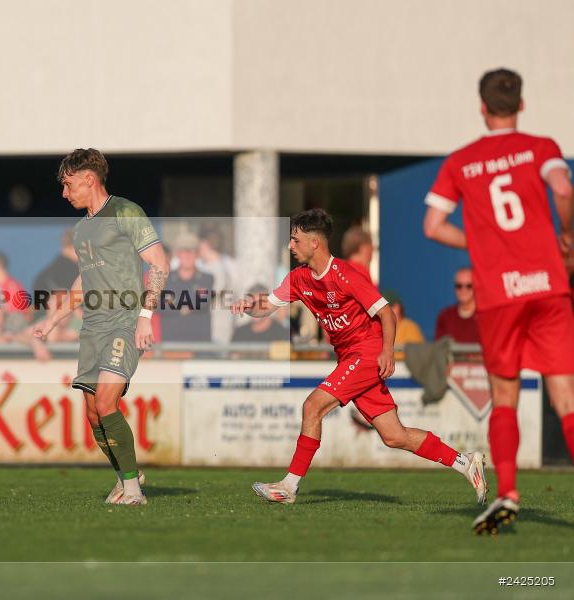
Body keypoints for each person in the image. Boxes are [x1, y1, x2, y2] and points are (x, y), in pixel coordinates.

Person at [232, 208, 486, 506]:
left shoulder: (346, 275)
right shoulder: (299, 278)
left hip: (366, 353)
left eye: (294, 240)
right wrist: (249, 304)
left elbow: (386, 313)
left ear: (315, 243)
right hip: (348, 358)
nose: (290, 246)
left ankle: (289, 486)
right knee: (394, 435)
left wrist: (387, 352)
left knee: (312, 406)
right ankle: (465, 462)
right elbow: (267, 305)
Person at [423, 68, 574, 534]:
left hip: (499, 294)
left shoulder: (461, 160)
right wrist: (567, 233)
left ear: (482, 107)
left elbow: (432, 225)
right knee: (566, 397)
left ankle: (507, 491)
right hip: (547, 285)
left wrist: (482, 243)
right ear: (521, 105)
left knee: (504, 396)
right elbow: (564, 188)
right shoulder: (542, 147)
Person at [34, 148, 169, 506]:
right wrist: (53, 320)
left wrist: (145, 317)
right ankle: (127, 475)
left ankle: (134, 492)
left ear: (87, 179)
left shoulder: (126, 211)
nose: (64, 193)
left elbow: (158, 264)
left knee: (107, 402)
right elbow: (83, 281)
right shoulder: (81, 230)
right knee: (94, 413)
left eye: (67, 184)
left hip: (124, 321)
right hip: (92, 328)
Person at [160, 233, 214, 342]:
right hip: (171, 344)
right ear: (177, 254)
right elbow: (159, 305)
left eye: (191, 251)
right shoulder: (165, 278)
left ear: (197, 254)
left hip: (200, 344)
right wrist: (189, 303)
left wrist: (173, 303)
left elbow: (201, 302)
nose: (187, 255)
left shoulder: (207, 278)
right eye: (184, 251)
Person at [197, 224, 239, 344]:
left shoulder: (218, 268)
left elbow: (205, 297)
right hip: (214, 325)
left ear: (205, 245)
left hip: (218, 327)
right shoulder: (222, 266)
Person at [33, 229, 79, 311]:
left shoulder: (49, 271)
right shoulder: (69, 269)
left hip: (42, 314)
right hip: (55, 315)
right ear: (72, 247)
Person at [435, 267, 480, 343]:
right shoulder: (445, 316)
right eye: (459, 286)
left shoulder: (485, 316)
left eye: (469, 286)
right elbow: (440, 350)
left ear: (476, 287)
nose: (463, 290)